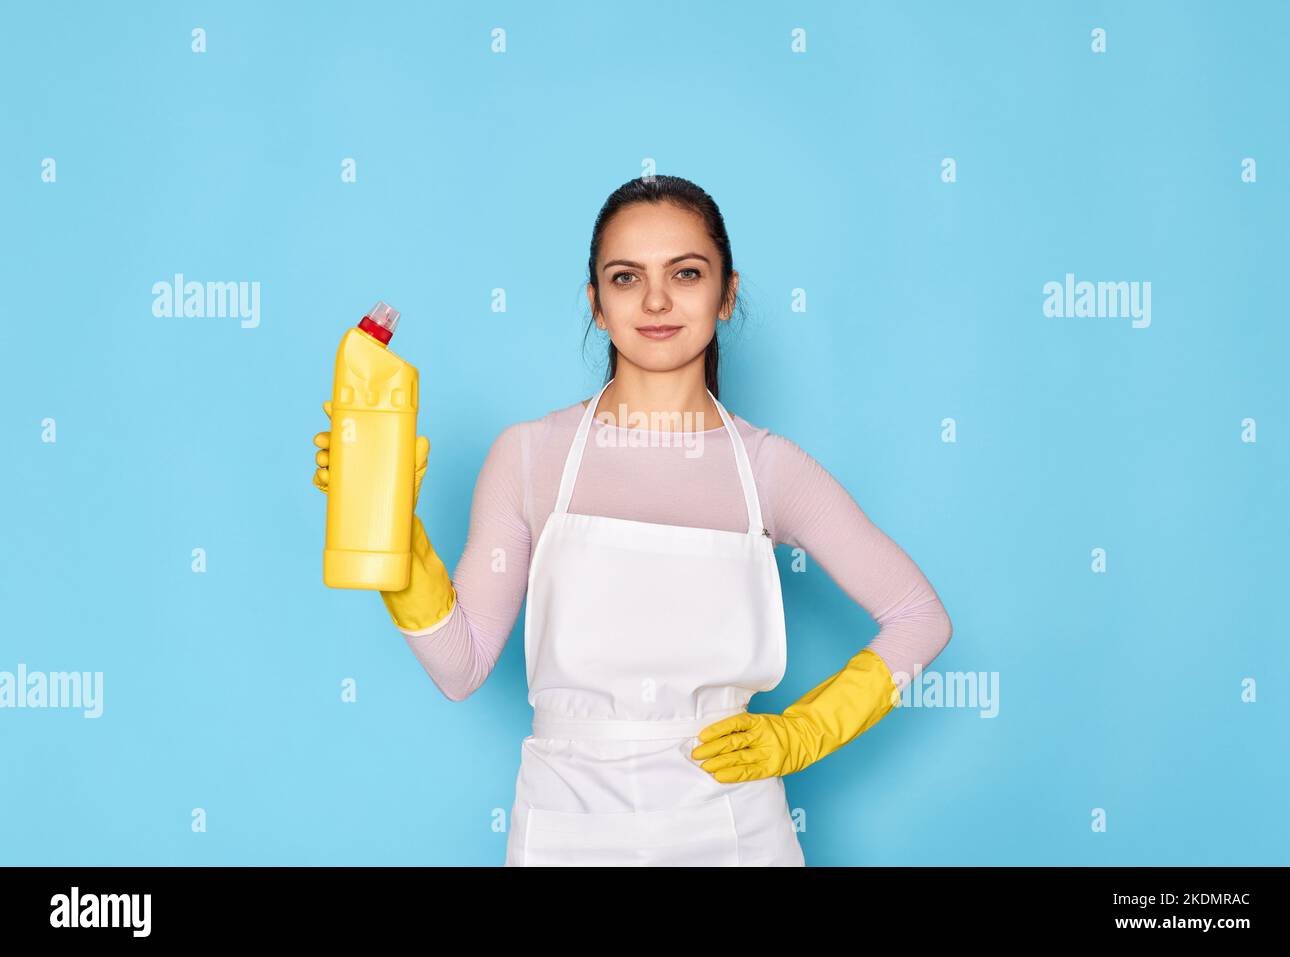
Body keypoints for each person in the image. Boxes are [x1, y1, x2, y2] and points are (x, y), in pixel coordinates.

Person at [312, 174, 953, 866]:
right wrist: (388, 528)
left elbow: (921, 615)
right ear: (596, 302)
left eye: (685, 273)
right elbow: (461, 666)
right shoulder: (528, 456)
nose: (655, 300)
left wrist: (802, 733)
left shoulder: (772, 469)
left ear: (727, 293)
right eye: (625, 277)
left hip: (732, 822)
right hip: (567, 821)